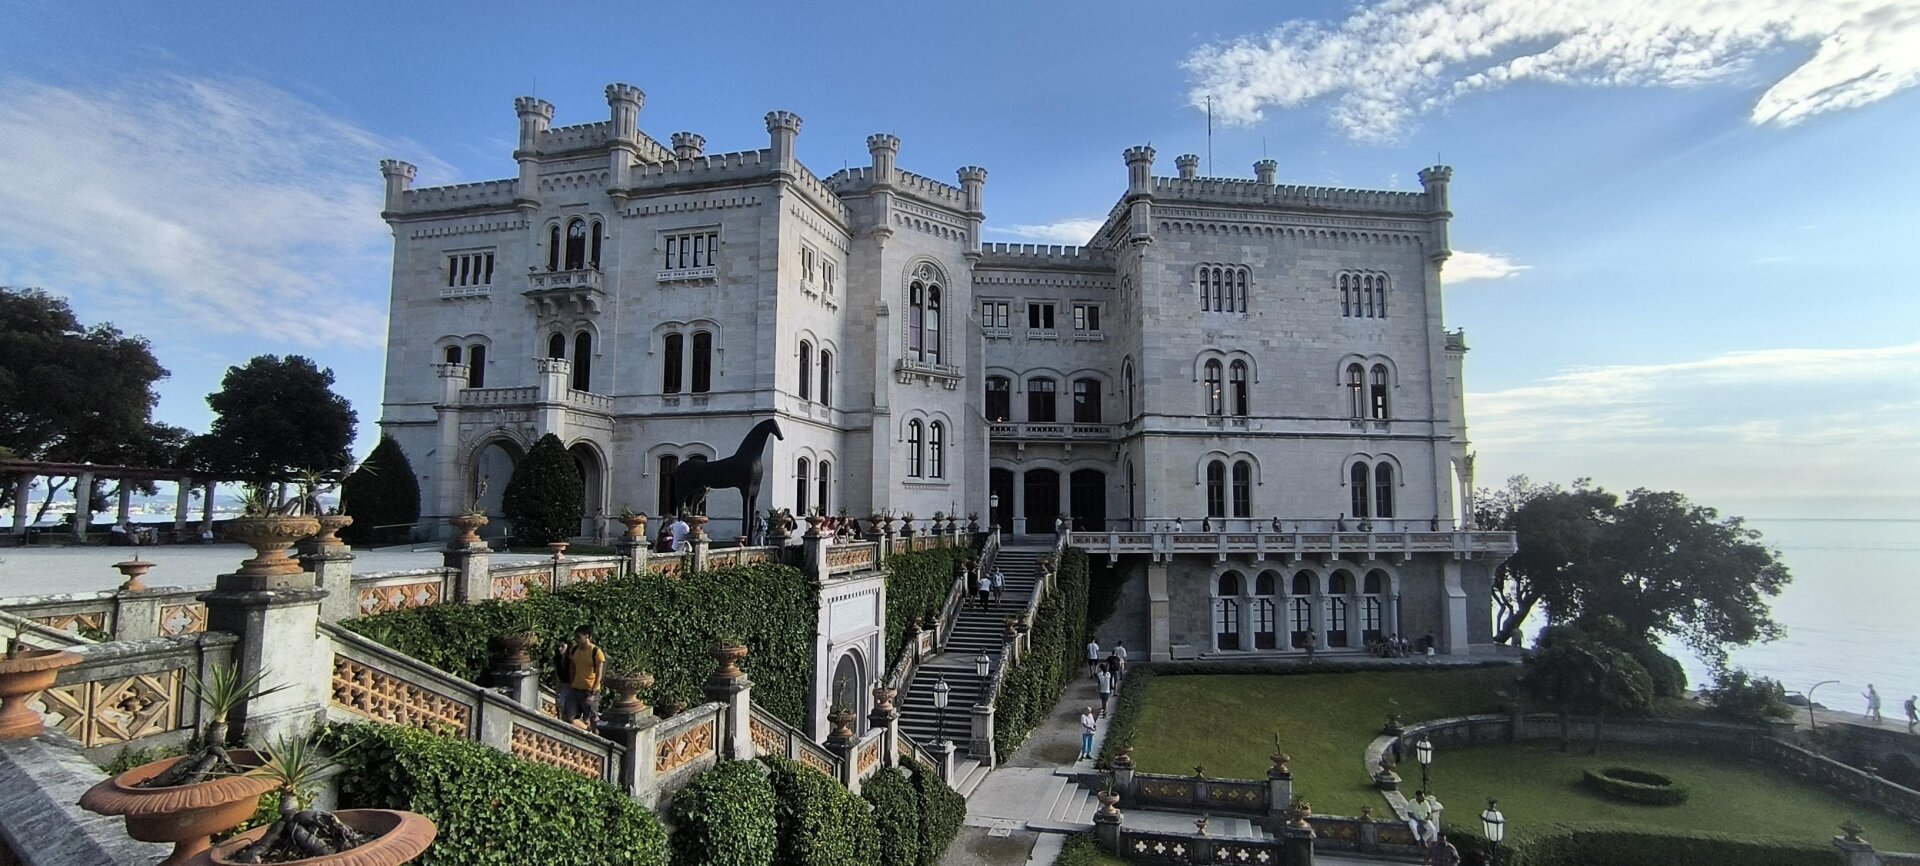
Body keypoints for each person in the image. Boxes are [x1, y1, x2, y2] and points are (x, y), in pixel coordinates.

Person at [560, 626, 605, 728]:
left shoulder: (596, 652)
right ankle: (586, 730)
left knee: (593, 718)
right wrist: (572, 682)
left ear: (587, 636)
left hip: (589, 690)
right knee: (568, 716)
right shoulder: (575, 650)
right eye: (576, 637)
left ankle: (594, 736)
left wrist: (592, 694)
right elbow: (572, 666)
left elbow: (599, 675)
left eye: (579, 637)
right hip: (576, 689)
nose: (577, 640)